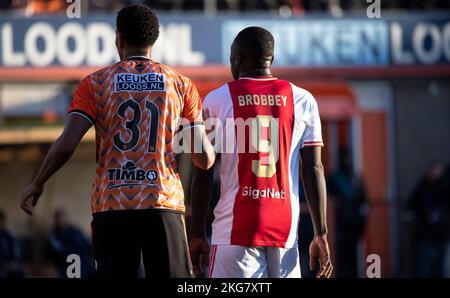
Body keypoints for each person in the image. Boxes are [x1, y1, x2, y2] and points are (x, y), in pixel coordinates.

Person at [20, 4, 215, 278]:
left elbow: (66, 144)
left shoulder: (96, 83)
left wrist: (37, 182)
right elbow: (203, 158)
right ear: (154, 40)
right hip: (163, 202)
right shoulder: (181, 85)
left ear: (118, 38)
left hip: (112, 204)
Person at [189, 26, 332, 278]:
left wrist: (197, 232)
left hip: (233, 231)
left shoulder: (216, 99)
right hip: (284, 230)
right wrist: (321, 233)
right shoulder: (303, 100)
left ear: (238, 57)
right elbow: (313, 169)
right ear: (271, 60)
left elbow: (202, 170)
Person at [328, 147, 367, 278]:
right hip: (340, 225)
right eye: (345, 157)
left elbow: (363, 199)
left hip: (354, 225)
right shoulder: (334, 178)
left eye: (349, 157)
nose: (347, 160)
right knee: (340, 257)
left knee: (353, 257)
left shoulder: (354, 177)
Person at [407, 162, 449, 277]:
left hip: (441, 233)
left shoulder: (444, 187)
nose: (434, 174)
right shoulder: (422, 187)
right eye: (433, 170)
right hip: (424, 234)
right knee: (423, 267)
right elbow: (412, 205)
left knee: (439, 268)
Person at [45, 209, 94, 278]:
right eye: (59, 219)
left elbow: (88, 245)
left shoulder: (76, 231)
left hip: (84, 264)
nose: (62, 221)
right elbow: (51, 255)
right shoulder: (53, 236)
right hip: (66, 266)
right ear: (56, 220)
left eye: (64, 218)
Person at [0, 209, 24, 278]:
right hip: (1, 266)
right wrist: (3, 264)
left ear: (4, 222)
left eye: (1, 221)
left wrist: (12, 265)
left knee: (20, 272)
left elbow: (16, 255)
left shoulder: (10, 237)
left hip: (10, 266)